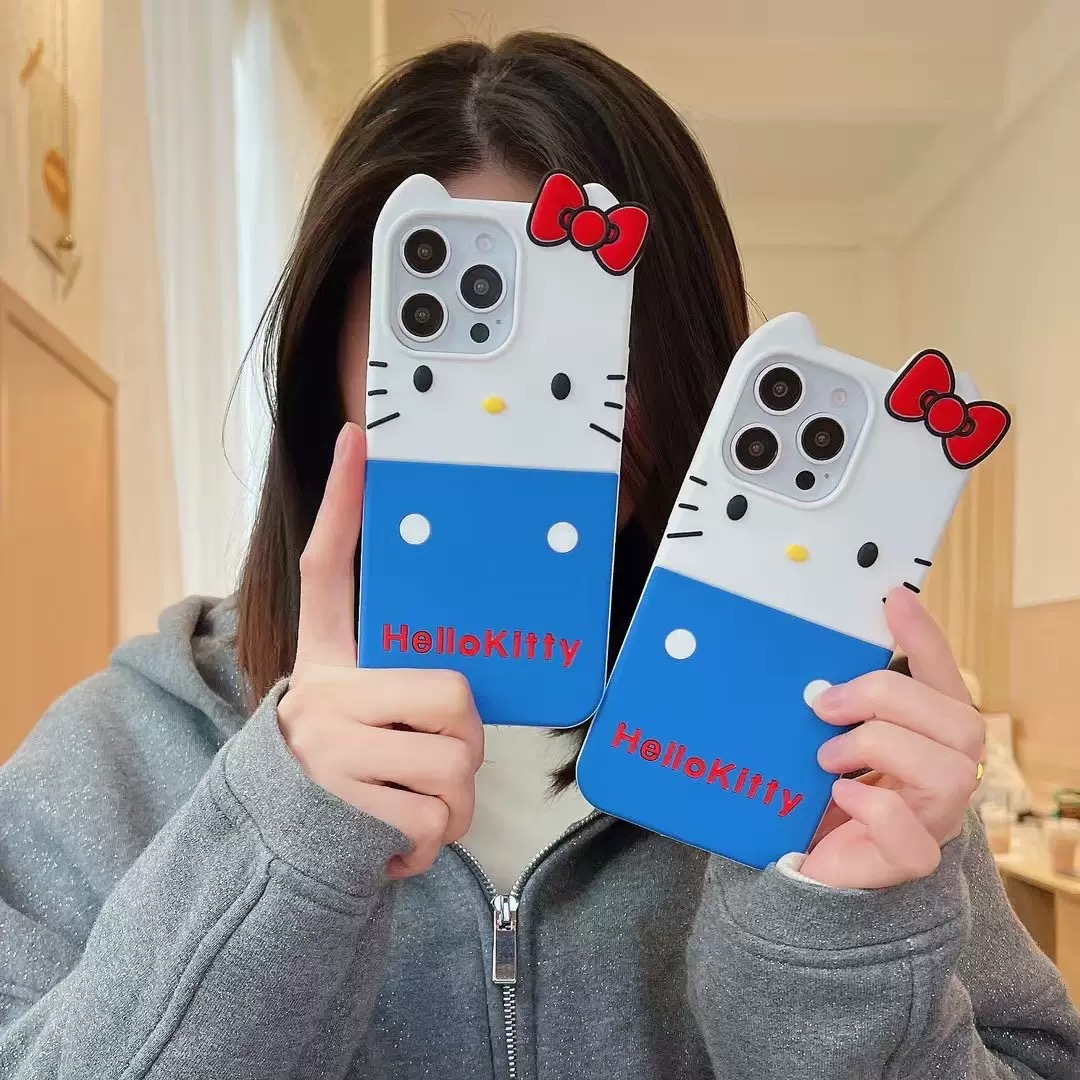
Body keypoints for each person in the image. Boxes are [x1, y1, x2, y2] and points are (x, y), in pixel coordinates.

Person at [1, 32, 1077, 1079]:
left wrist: (838, 946)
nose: (533, 417)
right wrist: (279, 845)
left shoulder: (840, 755)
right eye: (451, 337)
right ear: (334, 360)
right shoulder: (129, 747)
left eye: (596, 340)